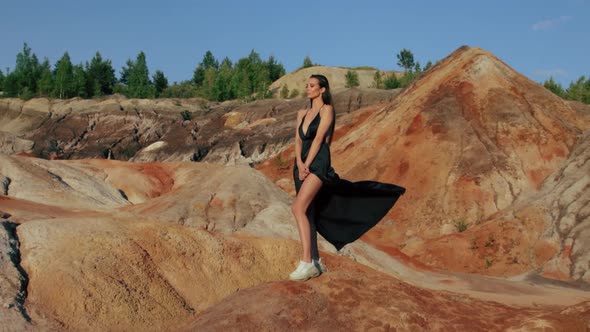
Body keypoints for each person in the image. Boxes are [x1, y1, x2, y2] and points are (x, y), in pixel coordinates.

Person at [289, 74, 406, 281]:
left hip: (318, 163)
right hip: (301, 164)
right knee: (308, 212)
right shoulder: (302, 113)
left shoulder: (328, 110)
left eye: (312, 85)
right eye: (307, 86)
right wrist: (299, 163)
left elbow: (318, 140)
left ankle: (306, 262)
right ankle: (315, 261)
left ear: (322, 89)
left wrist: (307, 165)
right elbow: (299, 141)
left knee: (297, 208)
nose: (308, 89)